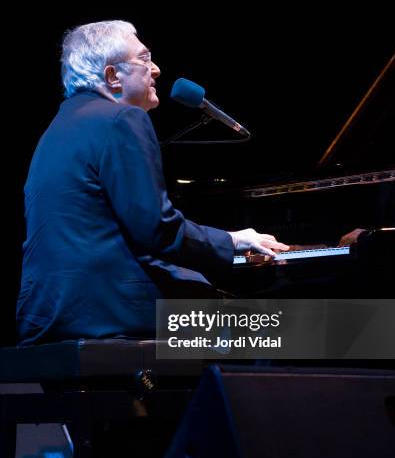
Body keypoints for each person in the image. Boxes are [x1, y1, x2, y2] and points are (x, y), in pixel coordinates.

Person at [17, 20, 289, 345]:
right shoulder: (122, 119)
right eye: (144, 59)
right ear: (112, 77)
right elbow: (158, 231)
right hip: (113, 311)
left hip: (46, 313)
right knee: (287, 331)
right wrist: (233, 241)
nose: (156, 70)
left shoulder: (58, 127)